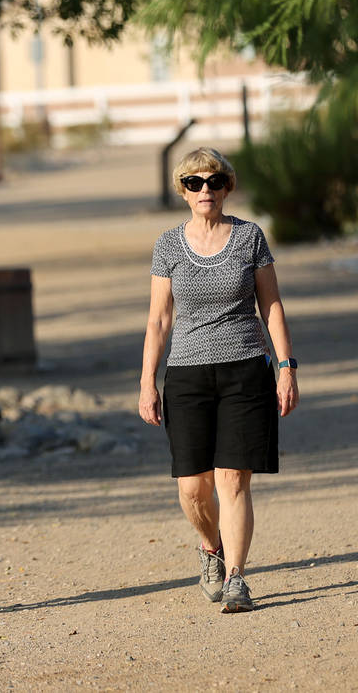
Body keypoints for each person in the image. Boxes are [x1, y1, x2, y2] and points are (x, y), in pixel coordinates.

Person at [139, 147, 298, 613]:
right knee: (192, 486)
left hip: (246, 369)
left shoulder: (250, 237)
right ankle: (212, 548)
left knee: (232, 479)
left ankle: (236, 579)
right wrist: (147, 381)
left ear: (227, 187)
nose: (204, 190)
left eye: (213, 181)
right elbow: (158, 321)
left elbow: (271, 306)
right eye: (194, 183)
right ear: (183, 191)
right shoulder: (168, 245)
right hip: (187, 375)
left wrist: (286, 367)